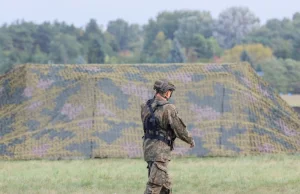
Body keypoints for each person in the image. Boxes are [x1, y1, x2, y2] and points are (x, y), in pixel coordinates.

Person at [141, 79, 195, 194]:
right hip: (160, 153)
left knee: (165, 187)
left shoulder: (145, 106)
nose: (170, 93)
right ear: (166, 92)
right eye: (170, 91)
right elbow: (179, 129)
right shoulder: (168, 108)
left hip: (148, 149)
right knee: (154, 185)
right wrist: (190, 140)